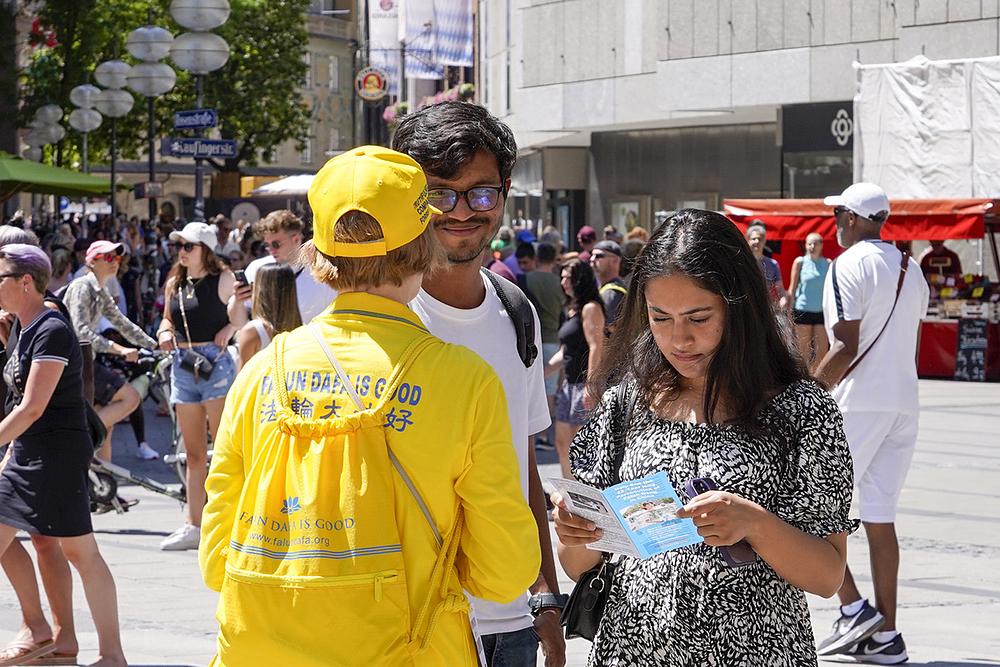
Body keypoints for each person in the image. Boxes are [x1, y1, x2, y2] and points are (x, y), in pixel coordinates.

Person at [199, 146, 539, 665]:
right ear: (424, 242)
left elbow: (217, 557)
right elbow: (505, 572)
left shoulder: (262, 371)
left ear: (318, 254)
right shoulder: (465, 380)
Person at [552, 209, 856, 666]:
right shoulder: (625, 403)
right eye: (660, 317)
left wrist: (756, 524)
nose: (680, 339)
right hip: (629, 653)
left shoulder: (801, 410)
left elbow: (828, 576)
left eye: (698, 318)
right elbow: (578, 565)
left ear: (739, 309)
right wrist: (575, 535)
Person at [394, 102, 567, 667]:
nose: (462, 211)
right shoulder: (382, 316)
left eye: (481, 193)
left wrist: (545, 594)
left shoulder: (517, 310)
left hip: (510, 619)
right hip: (409, 622)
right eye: (439, 195)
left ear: (506, 193)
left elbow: (521, 463)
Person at [815, 183, 929, 664]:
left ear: (852, 218)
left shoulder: (848, 264)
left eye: (838, 214)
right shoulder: (911, 268)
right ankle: (888, 637)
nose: (834, 223)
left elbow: (845, 344)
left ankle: (853, 608)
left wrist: (807, 395)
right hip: (904, 402)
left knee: (812, 506)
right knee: (881, 519)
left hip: (858, 403)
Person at [0, 244, 127, 667]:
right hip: (29, 452)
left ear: (25, 282)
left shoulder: (51, 328)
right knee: (60, 547)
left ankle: (111, 654)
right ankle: (45, 632)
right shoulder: (22, 326)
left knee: (81, 552)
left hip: (55, 456)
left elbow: (32, 407)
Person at [156, 222, 239, 551]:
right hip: (184, 362)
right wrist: (164, 331)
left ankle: (229, 519)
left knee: (223, 448)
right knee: (193, 453)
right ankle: (194, 523)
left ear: (206, 249)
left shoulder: (224, 278)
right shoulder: (175, 282)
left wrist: (230, 328)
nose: (182, 251)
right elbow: (167, 318)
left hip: (215, 362)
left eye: (188, 246)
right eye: (180, 245)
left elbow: (244, 313)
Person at [62, 240, 158, 462]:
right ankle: (78, 437)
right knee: (130, 398)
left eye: (116, 257)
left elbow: (121, 322)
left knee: (107, 426)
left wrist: (153, 344)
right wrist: (120, 350)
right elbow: (81, 332)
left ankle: (104, 479)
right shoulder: (82, 286)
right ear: (92, 261)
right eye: (108, 257)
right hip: (77, 363)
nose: (115, 262)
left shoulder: (100, 288)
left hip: (87, 362)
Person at [546, 260, 604, 479]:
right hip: (569, 386)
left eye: (568, 277)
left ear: (580, 279)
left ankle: (584, 494)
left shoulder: (590, 308)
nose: (564, 282)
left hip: (583, 385)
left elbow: (596, 346)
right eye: (562, 277)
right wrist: (540, 374)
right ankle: (568, 493)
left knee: (581, 449)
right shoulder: (570, 310)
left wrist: (591, 385)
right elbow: (565, 352)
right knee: (562, 443)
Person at [230, 210, 337, 325]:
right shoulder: (257, 268)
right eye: (267, 245)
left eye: (276, 244)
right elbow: (237, 323)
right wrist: (238, 301)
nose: (271, 250)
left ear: (296, 239)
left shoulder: (321, 272)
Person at [525, 242, 564, 443]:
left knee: (532, 386)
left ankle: (535, 433)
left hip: (531, 337)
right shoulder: (559, 282)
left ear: (537, 257)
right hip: (553, 338)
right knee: (549, 388)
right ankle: (545, 434)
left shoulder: (527, 279)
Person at [235, 262, 301, 370]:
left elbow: (242, 378)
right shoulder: (302, 329)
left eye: (254, 284)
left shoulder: (252, 331)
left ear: (261, 290)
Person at [788, 233, 831, 368]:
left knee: (822, 351)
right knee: (803, 351)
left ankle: (817, 378)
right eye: (809, 244)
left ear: (821, 245)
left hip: (821, 312)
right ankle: (803, 378)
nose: (812, 246)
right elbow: (792, 289)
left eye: (815, 243)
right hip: (802, 310)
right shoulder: (800, 262)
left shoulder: (828, 263)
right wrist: (788, 311)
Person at [745, 221, 791, 309]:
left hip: (766, 308)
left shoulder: (773, 264)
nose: (757, 241)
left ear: (764, 241)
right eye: (754, 239)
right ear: (748, 240)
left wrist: (783, 299)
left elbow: (780, 289)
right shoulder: (742, 262)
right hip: (747, 307)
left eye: (760, 239)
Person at [591, 239, 627, 329]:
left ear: (615, 260)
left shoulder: (612, 293)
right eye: (592, 255)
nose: (592, 259)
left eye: (599, 256)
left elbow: (609, 330)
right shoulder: (603, 288)